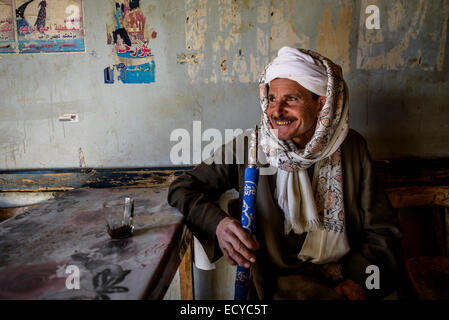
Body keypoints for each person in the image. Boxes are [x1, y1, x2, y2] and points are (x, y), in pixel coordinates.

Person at [168, 46, 402, 300]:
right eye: (271, 99)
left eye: (291, 99)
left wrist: (360, 280)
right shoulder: (250, 147)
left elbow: (382, 230)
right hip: (275, 288)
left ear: (321, 104)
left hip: (342, 282)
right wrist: (219, 224)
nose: (276, 111)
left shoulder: (352, 147)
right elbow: (183, 188)